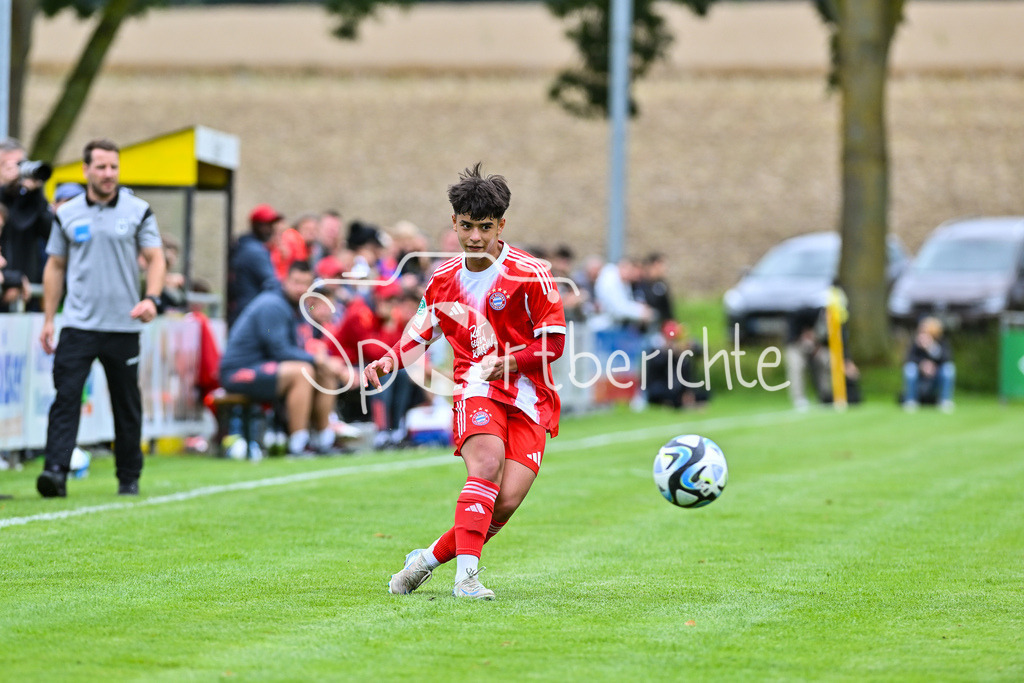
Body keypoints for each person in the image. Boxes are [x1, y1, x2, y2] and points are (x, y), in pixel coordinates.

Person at [365, 163, 566, 600]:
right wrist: (389, 360)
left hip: (530, 396)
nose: (475, 237)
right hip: (475, 387)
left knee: (506, 501)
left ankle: (425, 561)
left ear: (501, 226)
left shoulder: (530, 274)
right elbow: (418, 335)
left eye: (485, 227)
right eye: (467, 226)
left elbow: (553, 344)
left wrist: (513, 362)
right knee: (486, 466)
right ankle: (467, 579)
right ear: (454, 222)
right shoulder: (442, 280)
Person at [36, 138, 166, 498]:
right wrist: (50, 319)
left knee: (126, 403)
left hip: (123, 325)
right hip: (78, 324)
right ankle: (55, 472)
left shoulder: (138, 210)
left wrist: (152, 298)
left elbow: (156, 258)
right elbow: (55, 266)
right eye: (102, 167)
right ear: (86, 170)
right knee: (66, 398)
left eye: (114, 167)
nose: (109, 174)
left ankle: (128, 476)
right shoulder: (67, 213)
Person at [219, 261, 350, 455]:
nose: (300, 288)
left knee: (323, 371)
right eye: (296, 282)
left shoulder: (298, 307)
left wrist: (324, 360)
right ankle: (298, 444)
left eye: (305, 283)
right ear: (285, 280)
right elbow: (279, 351)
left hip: (267, 368)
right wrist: (319, 360)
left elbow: (300, 348)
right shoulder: (272, 304)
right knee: (303, 371)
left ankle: (324, 440)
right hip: (240, 371)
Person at [0, 138, 54, 309]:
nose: (15, 170)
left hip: (26, 294)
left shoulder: (29, 200)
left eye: (20, 164)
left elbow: (51, 233)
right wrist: (11, 278)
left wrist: (36, 192)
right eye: (6, 164)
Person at [226, 203, 280, 327]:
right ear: (256, 226)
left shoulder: (244, 244)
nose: (271, 229)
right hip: (249, 313)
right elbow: (272, 283)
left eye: (271, 225)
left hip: (241, 311)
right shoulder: (255, 251)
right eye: (266, 225)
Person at [902, 316, 955, 412]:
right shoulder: (916, 344)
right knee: (910, 369)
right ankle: (911, 400)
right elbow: (909, 358)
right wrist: (922, 365)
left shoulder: (942, 342)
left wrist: (930, 347)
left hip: (936, 374)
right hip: (920, 374)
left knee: (948, 369)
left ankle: (945, 400)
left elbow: (946, 358)